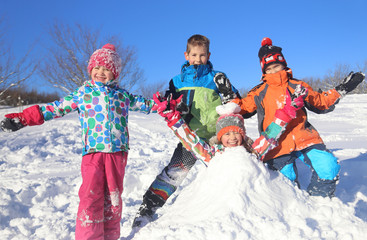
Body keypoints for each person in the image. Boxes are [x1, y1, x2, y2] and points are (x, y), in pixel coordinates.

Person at [0, 44, 156, 240]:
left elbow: (148, 104)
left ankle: (110, 236)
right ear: (90, 69)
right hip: (93, 154)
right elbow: (53, 109)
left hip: (118, 154)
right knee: (91, 197)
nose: (101, 72)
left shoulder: (122, 96)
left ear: (114, 73)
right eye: (97, 68)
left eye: (107, 68)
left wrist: (170, 105)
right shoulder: (83, 94)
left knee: (113, 199)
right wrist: (23, 118)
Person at [215, 37, 365, 198]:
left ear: (284, 64)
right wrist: (229, 95)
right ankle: (293, 208)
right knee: (284, 182)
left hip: (305, 138)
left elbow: (320, 102)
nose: (274, 71)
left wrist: (341, 90)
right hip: (275, 145)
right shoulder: (259, 91)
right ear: (263, 70)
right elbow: (241, 108)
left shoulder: (298, 86)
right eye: (269, 68)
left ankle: (320, 201)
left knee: (328, 166)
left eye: (277, 66)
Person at [132, 34, 241, 228]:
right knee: (175, 172)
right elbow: (171, 106)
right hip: (191, 138)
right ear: (186, 55)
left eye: (202, 55)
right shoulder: (177, 81)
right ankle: (148, 208)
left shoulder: (217, 78)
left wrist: (230, 99)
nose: (198, 59)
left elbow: (234, 103)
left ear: (209, 55)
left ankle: (231, 209)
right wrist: (173, 107)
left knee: (227, 172)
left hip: (218, 137)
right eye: (194, 55)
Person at [152, 85, 306, 164]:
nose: (232, 137)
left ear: (243, 134)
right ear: (219, 137)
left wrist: (286, 112)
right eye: (227, 134)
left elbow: (270, 137)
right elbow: (192, 142)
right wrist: (173, 119)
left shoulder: (252, 152)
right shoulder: (214, 154)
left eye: (236, 132)